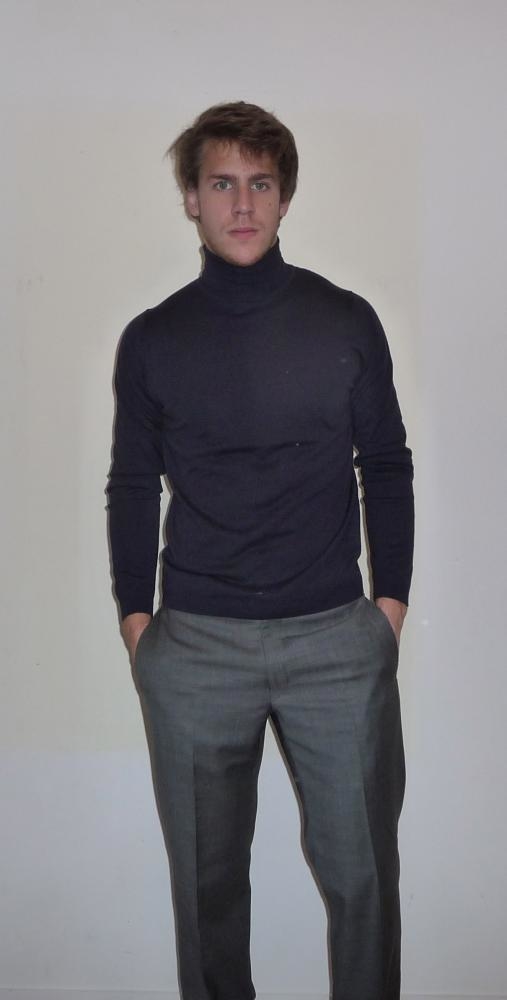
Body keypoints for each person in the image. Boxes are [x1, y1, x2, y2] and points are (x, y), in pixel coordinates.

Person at [107, 101, 414, 1000]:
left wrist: (387, 610)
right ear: (191, 199)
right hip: (196, 648)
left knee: (363, 885)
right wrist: (137, 624)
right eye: (221, 184)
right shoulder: (153, 338)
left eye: (260, 183)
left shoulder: (344, 321)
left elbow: (385, 465)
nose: (241, 204)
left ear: (283, 198)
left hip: (335, 645)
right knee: (206, 895)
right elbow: (133, 483)